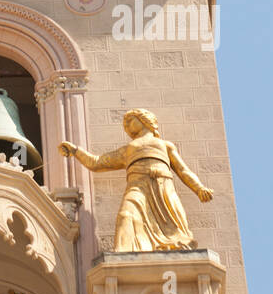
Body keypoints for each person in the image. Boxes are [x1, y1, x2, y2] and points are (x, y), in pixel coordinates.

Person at [59, 108, 213, 252]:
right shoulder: (128, 149)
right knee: (126, 215)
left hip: (163, 186)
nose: (126, 125)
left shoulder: (165, 145)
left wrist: (199, 188)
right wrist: (75, 150)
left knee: (173, 224)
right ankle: (124, 252)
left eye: (130, 120)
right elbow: (97, 162)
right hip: (137, 187)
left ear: (145, 120)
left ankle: (175, 244)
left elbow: (183, 170)